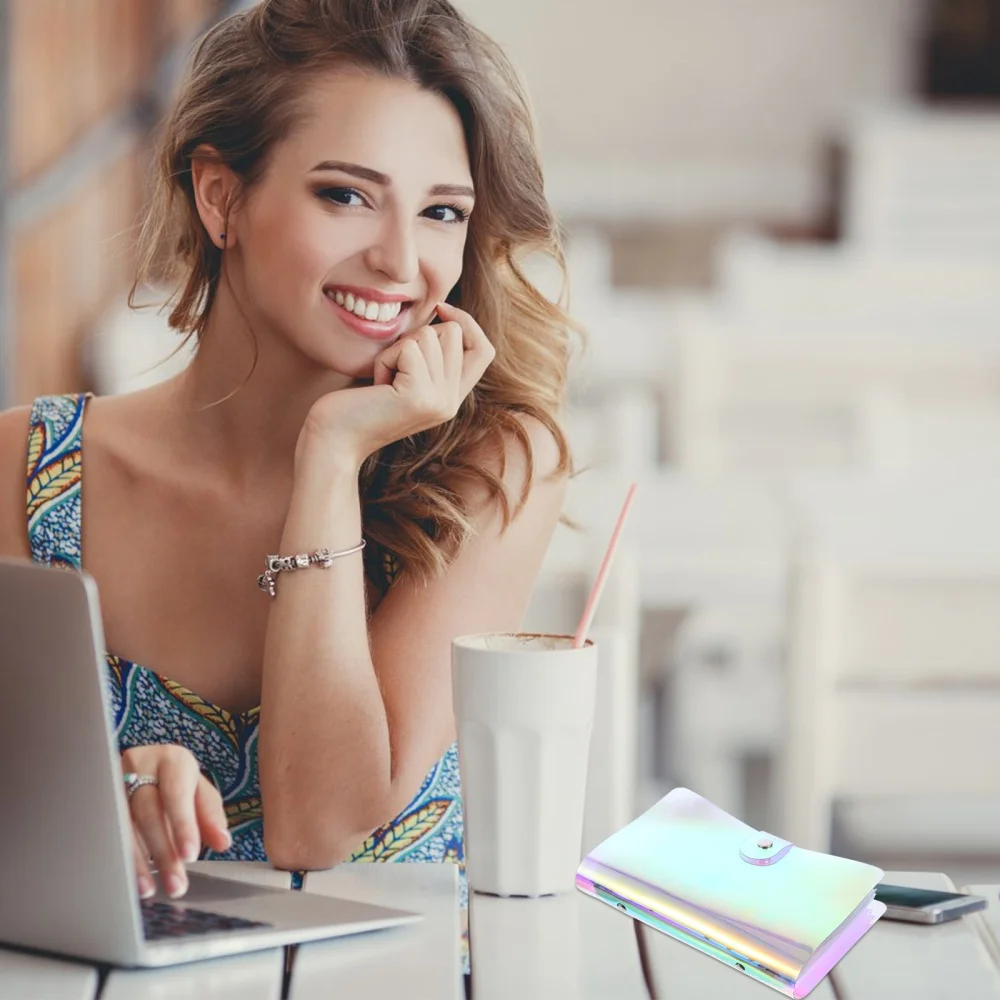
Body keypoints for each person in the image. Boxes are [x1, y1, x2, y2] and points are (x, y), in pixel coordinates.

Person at [0, 0, 577, 978]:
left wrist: (328, 460)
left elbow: (323, 827)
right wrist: (111, 784)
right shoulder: (25, 470)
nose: (402, 261)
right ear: (220, 196)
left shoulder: (493, 468)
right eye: (346, 196)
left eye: (441, 211)